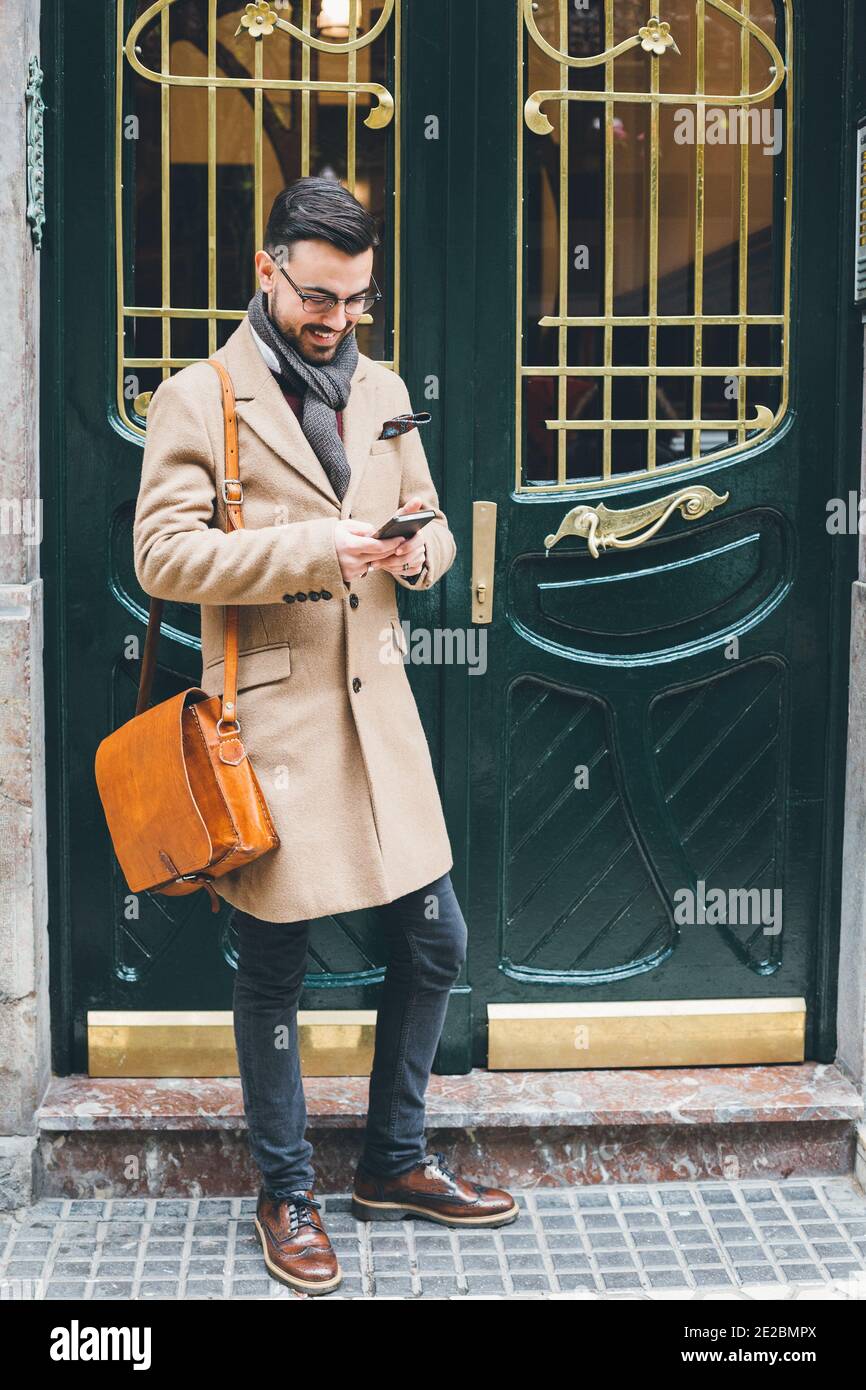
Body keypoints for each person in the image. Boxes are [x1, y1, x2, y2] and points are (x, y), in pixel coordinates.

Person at [133, 176, 518, 1296]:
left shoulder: (385, 388)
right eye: (316, 296)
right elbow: (161, 558)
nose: (336, 318)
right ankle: (285, 1187)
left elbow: (435, 521)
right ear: (266, 271)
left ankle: (391, 1161)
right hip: (273, 727)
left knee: (436, 937)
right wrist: (316, 549)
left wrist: (413, 554)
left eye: (354, 299)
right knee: (275, 963)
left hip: (381, 719)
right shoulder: (198, 397)